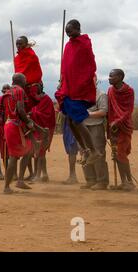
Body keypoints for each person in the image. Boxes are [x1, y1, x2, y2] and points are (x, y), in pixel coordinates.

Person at [55, 19, 101, 166]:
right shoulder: (68, 45)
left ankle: (94, 151)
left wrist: (81, 81)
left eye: (70, 30)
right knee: (70, 121)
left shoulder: (84, 43)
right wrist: (63, 81)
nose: (68, 33)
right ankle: (87, 151)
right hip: (68, 88)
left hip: (80, 89)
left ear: (78, 28)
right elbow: (67, 67)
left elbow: (88, 65)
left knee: (77, 120)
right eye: (66, 32)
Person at [3, 73, 34, 194]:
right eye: (25, 79)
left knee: (28, 150)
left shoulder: (8, 91)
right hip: (14, 125)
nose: (26, 81)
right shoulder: (20, 90)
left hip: (10, 124)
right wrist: (29, 122)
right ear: (20, 80)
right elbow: (20, 109)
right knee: (14, 156)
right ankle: (7, 187)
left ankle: (20, 180)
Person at [108, 69, 135, 191]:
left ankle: (129, 182)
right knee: (116, 154)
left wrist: (117, 121)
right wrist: (109, 124)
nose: (109, 78)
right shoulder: (110, 91)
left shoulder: (129, 91)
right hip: (112, 127)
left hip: (124, 126)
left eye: (111, 76)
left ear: (120, 77)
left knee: (121, 153)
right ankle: (123, 181)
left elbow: (128, 110)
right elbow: (109, 109)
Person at [80, 76, 109, 190]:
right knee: (84, 153)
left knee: (98, 153)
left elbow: (103, 111)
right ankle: (90, 180)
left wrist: (87, 114)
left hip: (96, 127)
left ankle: (102, 181)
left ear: (95, 80)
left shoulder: (101, 95)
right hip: (82, 127)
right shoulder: (80, 95)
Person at [30, 84, 56, 182]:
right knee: (38, 152)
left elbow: (47, 116)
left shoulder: (47, 100)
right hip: (35, 129)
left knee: (41, 152)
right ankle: (44, 174)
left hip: (44, 129)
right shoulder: (35, 99)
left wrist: (33, 113)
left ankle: (38, 175)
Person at [14, 36, 43, 110]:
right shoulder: (16, 58)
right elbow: (18, 73)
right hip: (21, 89)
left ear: (26, 44)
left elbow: (37, 73)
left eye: (20, 44)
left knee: (31, 110)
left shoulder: (32, 56)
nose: (18, 46)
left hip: (31, 88)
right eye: (17, 44)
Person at [0, 84, 11, 174]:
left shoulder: (13, 99)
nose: (6, 90)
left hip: (12, 128)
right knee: (4, 152)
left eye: (7, 88)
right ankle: (7, 171)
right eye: (4, 89)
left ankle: (13, 172)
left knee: (12, 152)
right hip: (1, 129)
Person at [62, 115, 80, 184]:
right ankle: (72, 175)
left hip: (73, 124)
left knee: (72, 151)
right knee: (71, 152)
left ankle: (73, 176)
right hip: (69, 124)